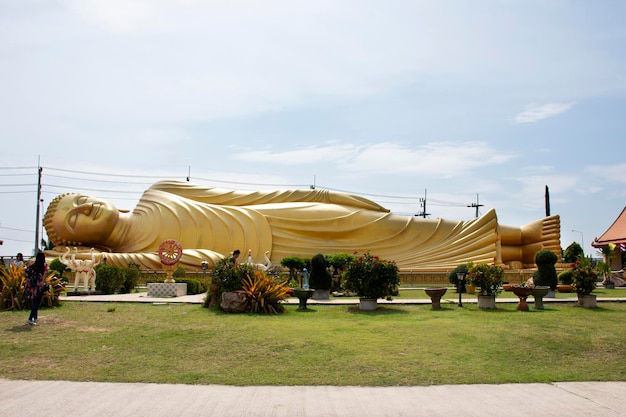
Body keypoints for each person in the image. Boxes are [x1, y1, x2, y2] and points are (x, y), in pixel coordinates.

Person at [42, 180, 561, 271]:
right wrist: (97, 259)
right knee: (386, 258)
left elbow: (241, 196)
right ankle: (511, 258)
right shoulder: (131, 255)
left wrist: (315, 193)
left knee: (390, 228)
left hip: (275, 217)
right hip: (270, 256)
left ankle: (520, 238)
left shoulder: (155, 193)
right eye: (76, 221)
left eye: (83, 202)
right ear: (71, 242)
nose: (88, 211)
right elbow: (186, 262)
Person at [24, 252, 48, 325]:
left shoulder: (33, 265)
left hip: (32, 285)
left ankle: (35, 317)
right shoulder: (44, 266)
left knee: (35, 301)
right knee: (37, 302)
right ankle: (30, 318)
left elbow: (25, 271)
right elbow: (44, 276)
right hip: (39, 286)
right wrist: (42, 284)